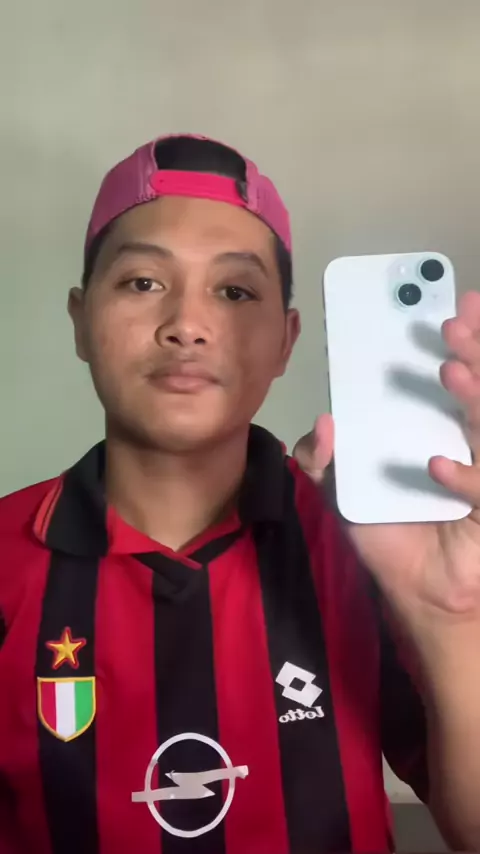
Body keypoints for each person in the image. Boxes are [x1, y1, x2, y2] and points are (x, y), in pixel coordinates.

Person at [0, 133, 479, 854]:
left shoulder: (371, 545)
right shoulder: (7, 558)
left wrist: (453, 617)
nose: (187, 327)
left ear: (286, 340)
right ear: (81, 321)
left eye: (235, 291)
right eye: (143, 282)